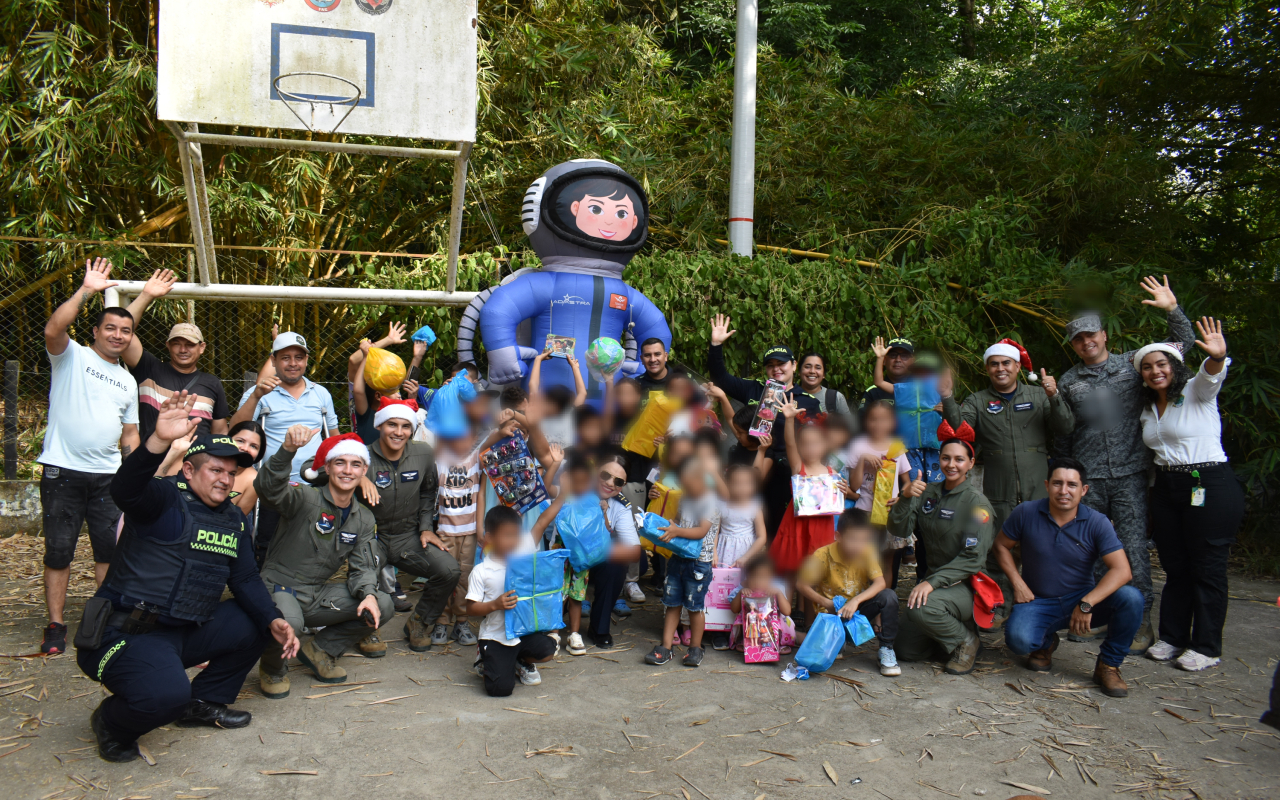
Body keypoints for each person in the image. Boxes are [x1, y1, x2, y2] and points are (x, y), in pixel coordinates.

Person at [75, 393, 298, 762]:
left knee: (257, 620)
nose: (226, 480)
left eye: (232, 472)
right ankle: (112, 722)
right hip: (125, 634)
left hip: (183, 631)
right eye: (216, 470)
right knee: (163, 698)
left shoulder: (233, 519)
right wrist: (158, 442)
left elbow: (244, 579)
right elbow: (124, 489)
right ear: (190, 470)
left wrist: (274, 619)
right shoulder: (161, 498)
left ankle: (202, 703)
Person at [1057, 275, 1196, 651]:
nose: (1087, 342)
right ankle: (1097, 615)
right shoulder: (1070, 381)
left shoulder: (1133, 366)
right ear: (1073, 345)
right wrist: (1067, 474)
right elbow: (1064, 433)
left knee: (1133, 548)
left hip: (1131, 473)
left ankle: (1140, 622)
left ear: (1104, 335)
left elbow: (1178, 350)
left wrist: (1172, 309)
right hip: (1090, 478)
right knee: (1086, 548)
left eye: (1092, 335)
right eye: (1079, 339)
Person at [38, 257, 141, 655]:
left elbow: (129, 433)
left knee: (109, 550)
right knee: (59, 549)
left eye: (125, 331)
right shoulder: (72, 357)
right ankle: (55, 626)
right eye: (110, 328)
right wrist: (86, 290)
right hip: (63, 470)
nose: (117, 335)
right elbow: (53, 328)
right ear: (95, 331)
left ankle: (103, 622)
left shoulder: (127, 380)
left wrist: (131, 476)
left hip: (108, 477)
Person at [1137, 318, 1244, 672]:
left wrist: (1217, 356)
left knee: (1207, 567)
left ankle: (1207, 645)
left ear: (1175, 367)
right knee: (1175, 566)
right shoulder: (1148, 409)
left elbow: (1213, 372)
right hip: (1168, 488)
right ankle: (1173, 636)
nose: (1155, 371)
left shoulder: (1196, 391)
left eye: (1162, 364)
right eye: (1148, 367)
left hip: (1208, 482)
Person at [942, 338, 1074, 623]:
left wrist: (1054, 396)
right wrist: (948, 398)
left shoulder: (1038, 395)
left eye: (1005, 363)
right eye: (994, 364)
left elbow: (1065, 427)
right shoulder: (978, 400)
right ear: (987, 369)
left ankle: (1047, 609)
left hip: (1037, 486)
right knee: (999, 548)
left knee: (1045, 547)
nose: (1000, 369)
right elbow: (959, 434)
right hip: (998, 488)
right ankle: (1000, 607)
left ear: (1016, 366)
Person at [254, 427, 392, 699]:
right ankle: (272, 668)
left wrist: (367, 594)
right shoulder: (304, 498)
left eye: (355, 464)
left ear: (364, 471)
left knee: (383, 604)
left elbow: (363, 566)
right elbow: (267, 489)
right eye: (340, 462)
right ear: (327, 467)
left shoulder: (363, 518)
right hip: (280, 587)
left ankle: (319, 650)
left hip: (317, 592)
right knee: (288, 623)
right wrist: (287, 451)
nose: (347, 470)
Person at [993, 458, 1141, 697]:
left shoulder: (1097, 522)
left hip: (1081, 599)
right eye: (1057, 483)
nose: (1064, 491)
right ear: (1047, 485)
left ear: (1083, 490)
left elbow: (1122, 570)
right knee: (1019, 641)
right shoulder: (1026, 512)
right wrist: (1017, 582)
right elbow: (1000, 546)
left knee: (1131, 598)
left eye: (1072, 485)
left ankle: (1109, 665)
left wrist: (1087, 602)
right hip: (1038, 601)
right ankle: (1045, 644)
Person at [888, 421, 996, 675]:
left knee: (923, 607)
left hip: (966, 585)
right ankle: (946, 635)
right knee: (906, 650)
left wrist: (931, 582)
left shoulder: (976, 503)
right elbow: (900, 530)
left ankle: (967, 641)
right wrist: (905, 498)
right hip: (936, 583)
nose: (951, 464)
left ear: (971, 463)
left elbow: (973, 559)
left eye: (959, 459)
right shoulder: (929, 492)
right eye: (946, 458)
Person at [355, 397, 460, 654]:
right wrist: (358, 476)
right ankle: (366, 630)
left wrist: (426, 527)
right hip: (370, 537)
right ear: (380, 425)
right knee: (362, 579)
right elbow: (312, 470)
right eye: (392, 425)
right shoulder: (359, 455)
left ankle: (418, 622)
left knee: (448, 570)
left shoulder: (423, 452)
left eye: (405, 426)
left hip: (407, 536)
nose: (398, 432)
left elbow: (428, 491)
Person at [230, 330, 339, 564]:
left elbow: (334, 437)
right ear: (273, 360)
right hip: (274, 484)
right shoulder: (260, 393)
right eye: (285, 357)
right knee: (268, 543)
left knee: (315, 540)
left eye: (298, 357)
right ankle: (264, 579)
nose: (293, 363)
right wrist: (257, 395)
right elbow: (236, 430)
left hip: (314, 482)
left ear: (307, 360)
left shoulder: (321, 394)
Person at [706, 314, 819, 535]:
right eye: (770, 365)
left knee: (785, 528)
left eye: (782, 363)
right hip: (749, 466)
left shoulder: (807, 401)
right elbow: (720, 377)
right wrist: (716, 345)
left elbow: (818, 442)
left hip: (789, 471)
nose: (776, 369)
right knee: (749, 527)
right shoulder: (754, 389)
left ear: (794, 365)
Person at [121, 268, 229, 441]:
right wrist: (147, 295)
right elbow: (123, 332)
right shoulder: (149, 369)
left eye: (189, 345)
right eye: (177, 344)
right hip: (151, 462)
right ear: (168, 346)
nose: (183, 350)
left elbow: (220, 432)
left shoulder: (212, 383)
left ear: (202, 348)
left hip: (195, 464)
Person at [797, 508, 901, 676]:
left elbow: (880, 583)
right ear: (838, 537)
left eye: (864, 540)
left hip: (857, 613)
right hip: (832, 617)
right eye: (853, 539)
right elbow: (802, 584)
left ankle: (886, 649)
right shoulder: (822, 555)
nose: (858, 546)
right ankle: (836, 641)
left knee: (888, 596)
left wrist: (856, 601)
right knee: (819, 658)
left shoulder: (867, 551)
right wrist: (825, 603)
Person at [466, 506, 557, 696]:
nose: (513, 541)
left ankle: (520, 661)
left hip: (521, 632)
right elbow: (470, 609)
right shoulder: (482, 571)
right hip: (497, 635)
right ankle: (484, 657)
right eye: (507, 535)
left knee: (549, 649)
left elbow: (542, 521)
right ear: (490, 538)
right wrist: (495, 605)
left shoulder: (523, 564)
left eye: (516, 535)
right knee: (500, 690)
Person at [645, 455, 718, 667]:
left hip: (698, 562)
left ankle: (695, 647)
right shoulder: (686, 498)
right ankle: (665, 647)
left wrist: (676, 530)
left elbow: (701, 530)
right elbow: (677, 520)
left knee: (695, 606)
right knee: (672, 602)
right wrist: (667, 525)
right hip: (678, 557)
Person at [768, 400, 846, 577]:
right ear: (800, 446)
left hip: (821, 526)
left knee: (814, 574)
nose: (811, 448)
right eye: (806, 444)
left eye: (816, 443)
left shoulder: (832, 472)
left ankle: (808, 605)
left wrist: (844, 489)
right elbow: (789, 444)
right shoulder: (798, 467)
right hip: (796, 526)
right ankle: (786, 605)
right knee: (790, 571)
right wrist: (789, 419)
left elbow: (840, 496)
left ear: (825, 445)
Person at [845, 400, 912, 585]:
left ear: (892, 423)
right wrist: (862, 460)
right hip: (864, 513)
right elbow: (854, 484)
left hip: (889, 514)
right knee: (861, 562)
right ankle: (861, 609)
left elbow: (906, 483)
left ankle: (882, 611)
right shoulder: (858, 446)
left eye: (884, 420)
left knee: (885, 564)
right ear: (866, 422)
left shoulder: (896, 447)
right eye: (873, 419)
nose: (878, 424)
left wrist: (899, 498)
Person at [585, 453, 643, 648]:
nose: (610, 483)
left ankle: (599, 628)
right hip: (568, 553)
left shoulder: (621, 506)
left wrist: (601, 551)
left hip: (596, 558)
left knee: (618, 565)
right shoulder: (577, 489)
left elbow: (634, 551)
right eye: (605, 475)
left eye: (618, 481)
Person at [348, 322, 407, 444]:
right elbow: (354, 361)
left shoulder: (399, 418)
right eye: (392, 390)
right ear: (378, 395)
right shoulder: (366, 414)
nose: (399, 395)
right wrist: (367, 353)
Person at [797, 352, 853, 426]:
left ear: (824, 374)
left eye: (818, 368)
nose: (812, 371)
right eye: (807, 367)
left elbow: (849, 429)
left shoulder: (835, 397)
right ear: (799, 372)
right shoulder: (789, 396)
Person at [859, 336, 914, 410]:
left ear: (913, 362)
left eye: (904, 356)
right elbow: (863, 420)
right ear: (884, 360)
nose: (898, 360)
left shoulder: (921, 388)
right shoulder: (873, 392)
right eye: (893, 355)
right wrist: (880, 358)